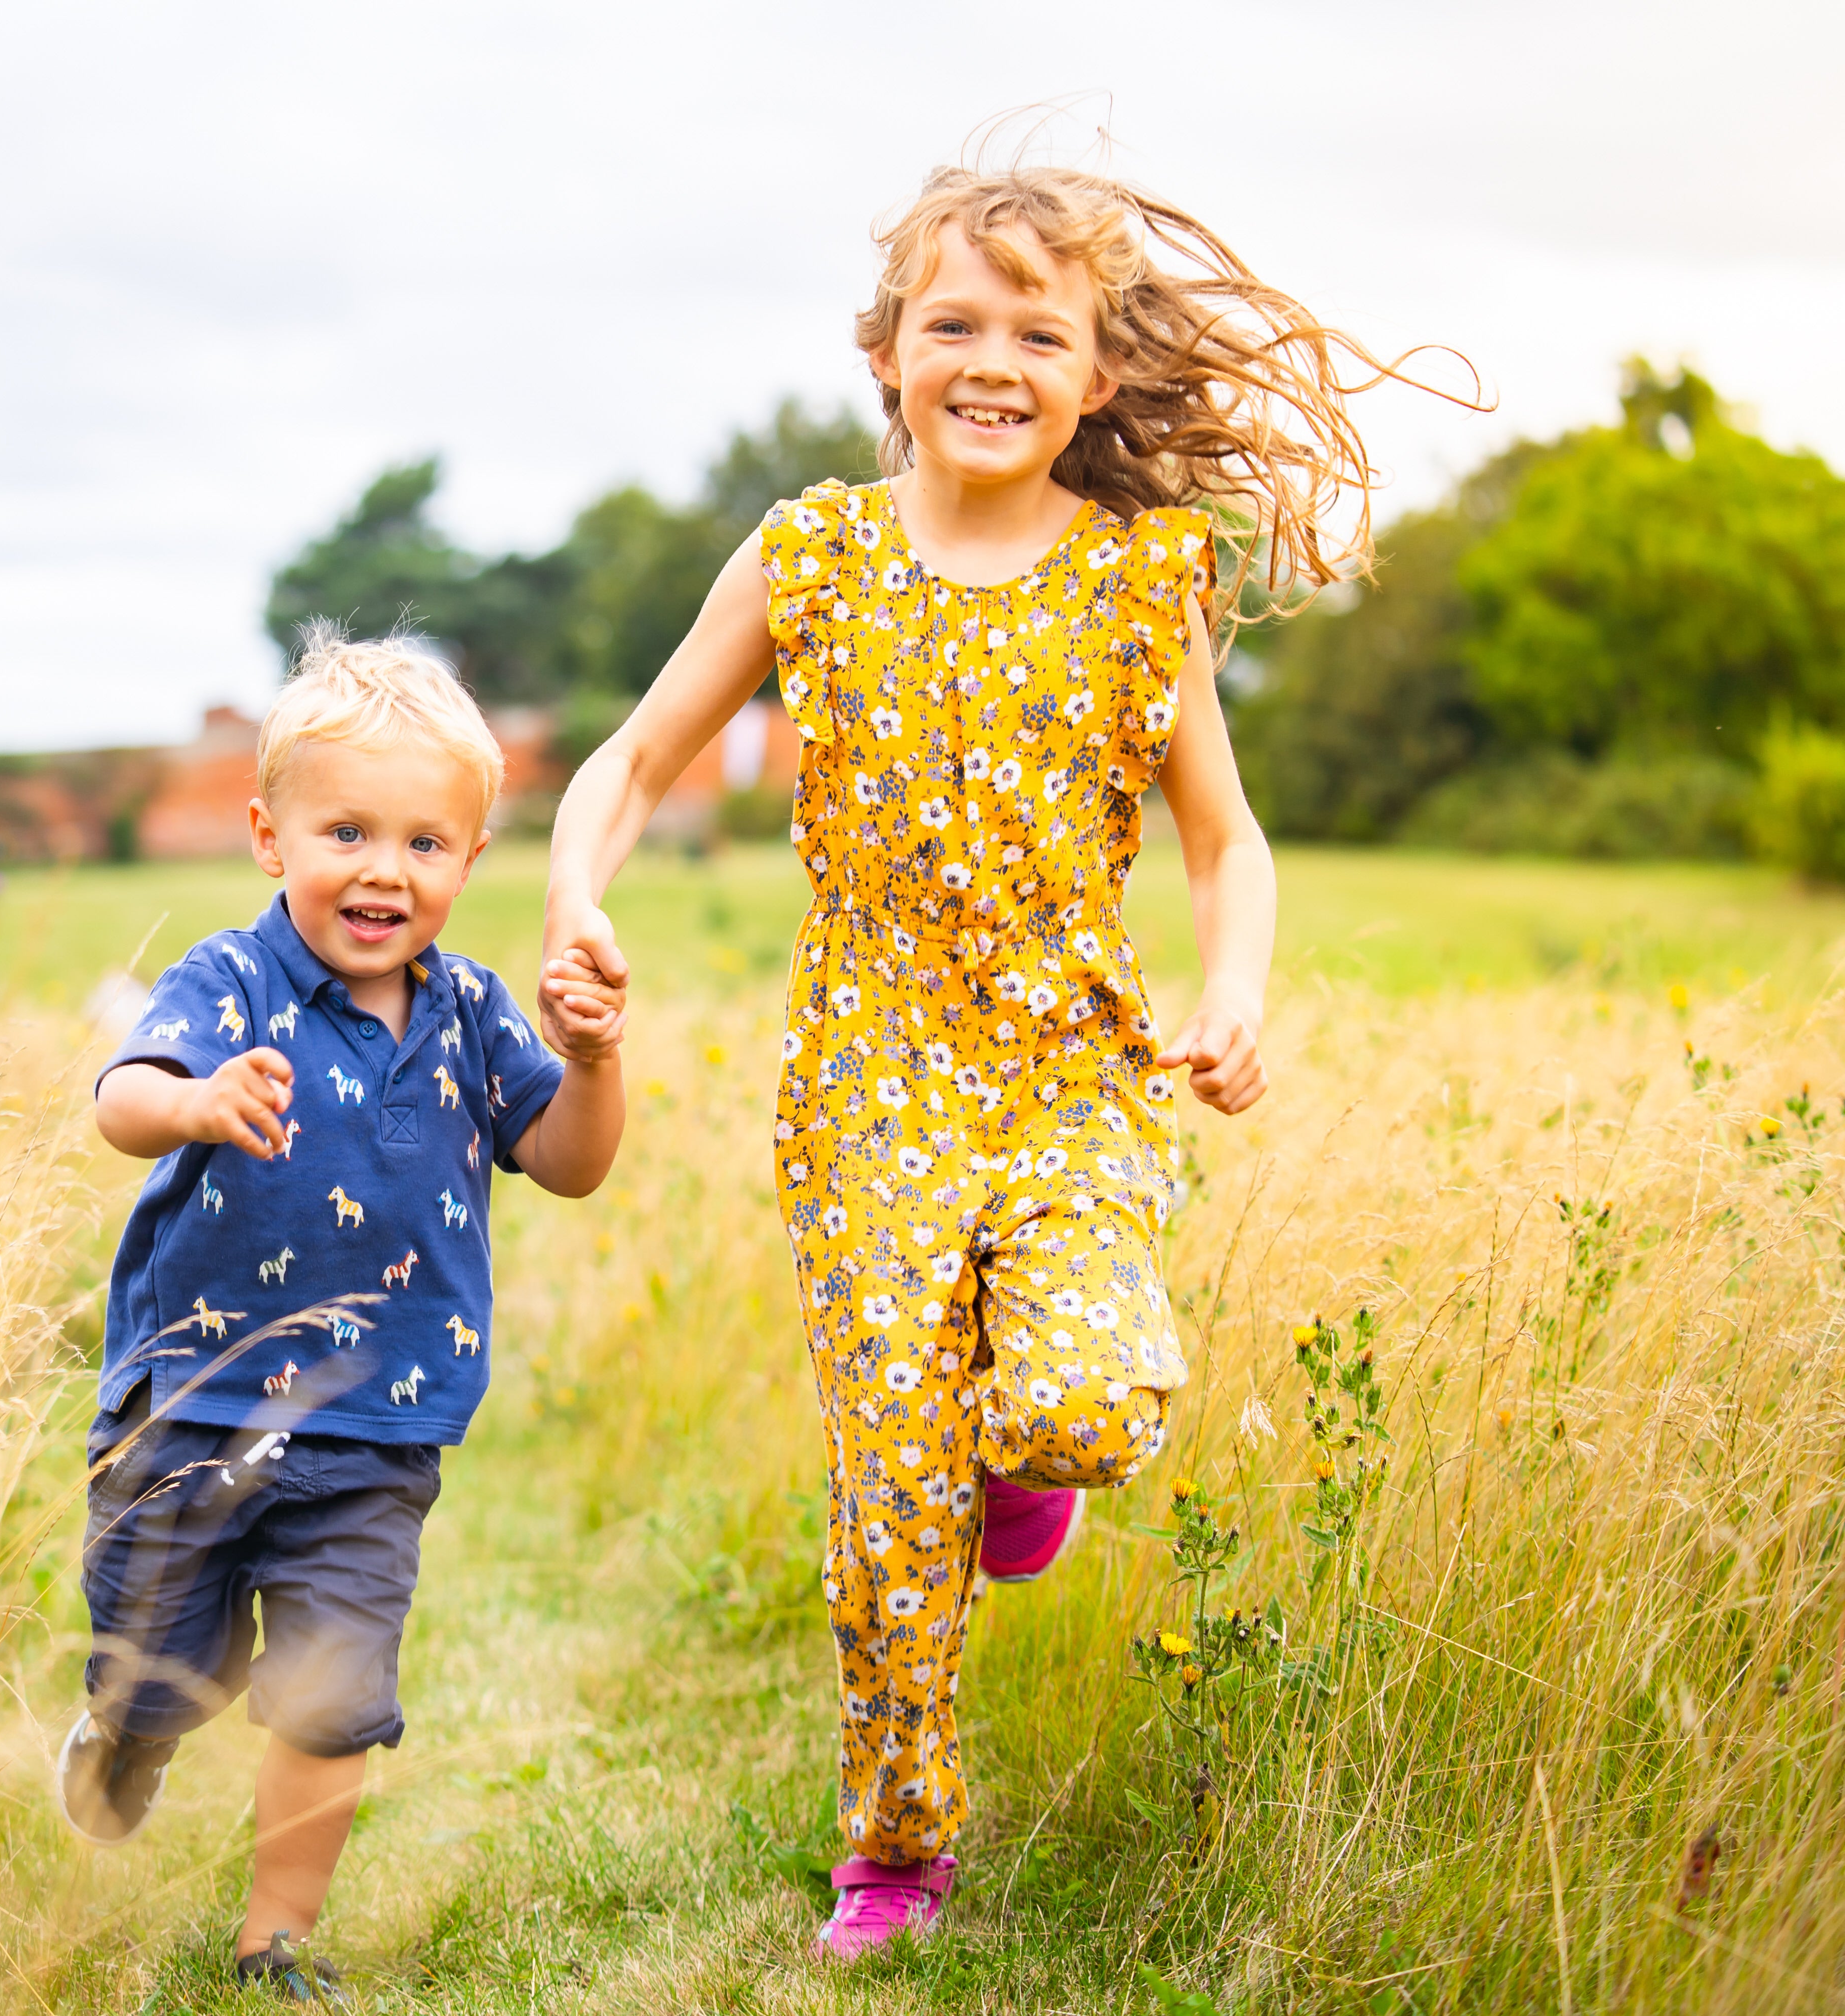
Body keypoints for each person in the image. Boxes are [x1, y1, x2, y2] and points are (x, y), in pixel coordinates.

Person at [537, 163, 1456, 1960]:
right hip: (868, 1085)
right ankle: (896, 1848)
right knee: (888, 1496)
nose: (993, 360)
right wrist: (577, 891)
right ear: (887, 353)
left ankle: (1016, 1469)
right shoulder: (808, 555)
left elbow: (1222, 841)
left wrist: (1236, 991)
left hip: (1070, 1079)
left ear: (1097, 378)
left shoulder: (1142, 578)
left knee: (1083, 1406)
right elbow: (632, 764)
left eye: (1041, 332)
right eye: (954, 323)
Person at [61, 629, 626, 1996]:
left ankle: (274, 1945)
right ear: (271, 836)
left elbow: (569, 1162)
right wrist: (196, 1102)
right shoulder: (231, 980)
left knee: (330, 1696)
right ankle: (128, 1729)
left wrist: (598, 1056)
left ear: (472, 860)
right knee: (165, 1666)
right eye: (349, 831)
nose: (386, 870)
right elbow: (117, 1101)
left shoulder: (478, 1013)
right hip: (194, 1407)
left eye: (427, 843)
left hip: (379, 1426)